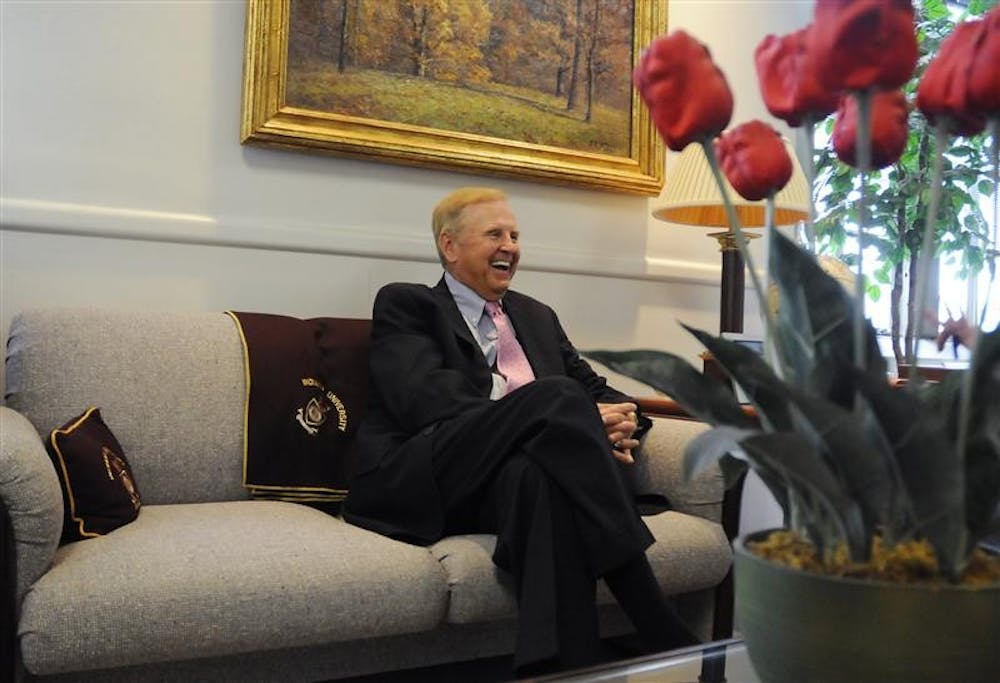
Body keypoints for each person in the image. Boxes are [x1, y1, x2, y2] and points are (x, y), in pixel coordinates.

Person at [343, 187, 697, 675]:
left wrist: (624, 418)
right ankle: (652, 615)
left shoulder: (536, 316)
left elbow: (598, 390)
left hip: (505, 480)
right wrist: (561, 414)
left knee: (536, 477)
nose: (509, 246)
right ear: (450, 245)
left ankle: (555, 667)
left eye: (514, 235)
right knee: (560, 399)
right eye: (495, 234)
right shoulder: (408, 304)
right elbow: (424, 401)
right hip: (433, 468)